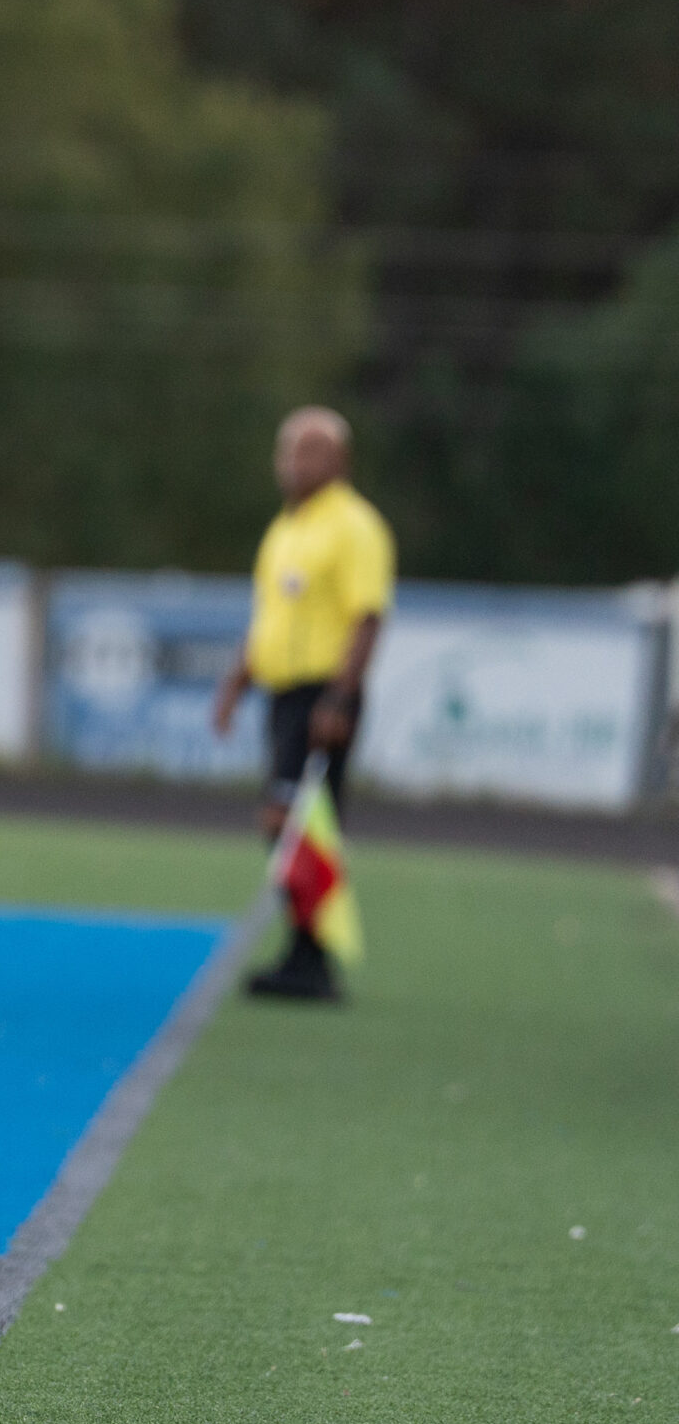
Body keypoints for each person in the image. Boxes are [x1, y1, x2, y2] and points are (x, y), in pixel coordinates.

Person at [211, 405, 394, 1001]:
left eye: (308, 451)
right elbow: (270, 616)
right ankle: (303, 952)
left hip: (323, 694)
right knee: (290, 824)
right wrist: (235, 682)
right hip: (285, 694)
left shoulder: (355, 526)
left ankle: (313, 959)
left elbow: (366, 617)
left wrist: (341, 697)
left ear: (339, 460)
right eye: (286, 450)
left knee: (297, 822)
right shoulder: (287, 527)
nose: (292, 462)